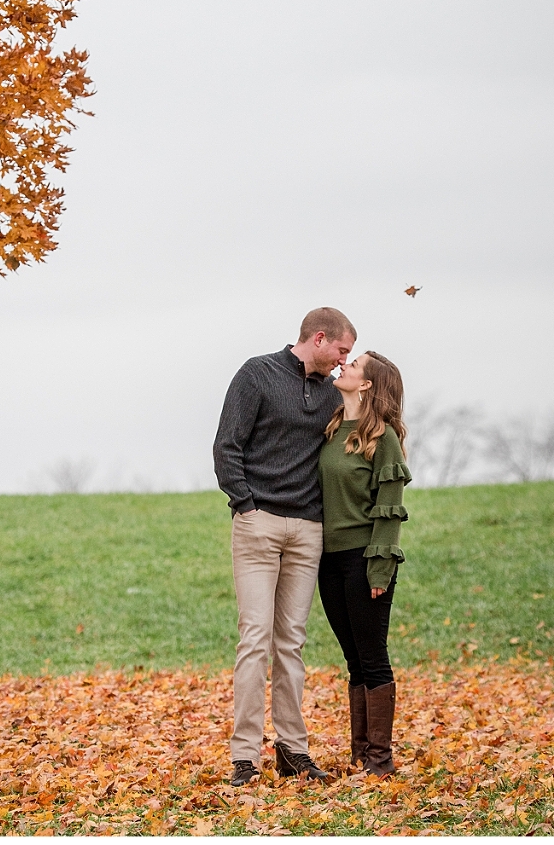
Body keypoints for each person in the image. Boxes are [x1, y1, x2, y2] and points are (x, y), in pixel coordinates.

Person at [213, 307, 357, 787]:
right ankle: (244, 756)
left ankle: (293, 750)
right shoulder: (258, 374)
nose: (344, 361)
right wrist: (245, 504)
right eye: (341, 350)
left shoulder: (330, 392)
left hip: (307, 530)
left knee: (291, 644)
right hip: (258, 523)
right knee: (254, 640)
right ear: (319, 338)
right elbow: (227, 445)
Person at [317, 350, 411, 778]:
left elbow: (389, 509)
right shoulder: (335, 426)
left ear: (368, 384)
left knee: (372, 658)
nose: (345, 366)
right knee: (353, 658)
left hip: (364, 560)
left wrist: (379, 568)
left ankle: (381, 760)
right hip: (328, 561)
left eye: (354, 365)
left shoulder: (383, 437)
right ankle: (360, 755)